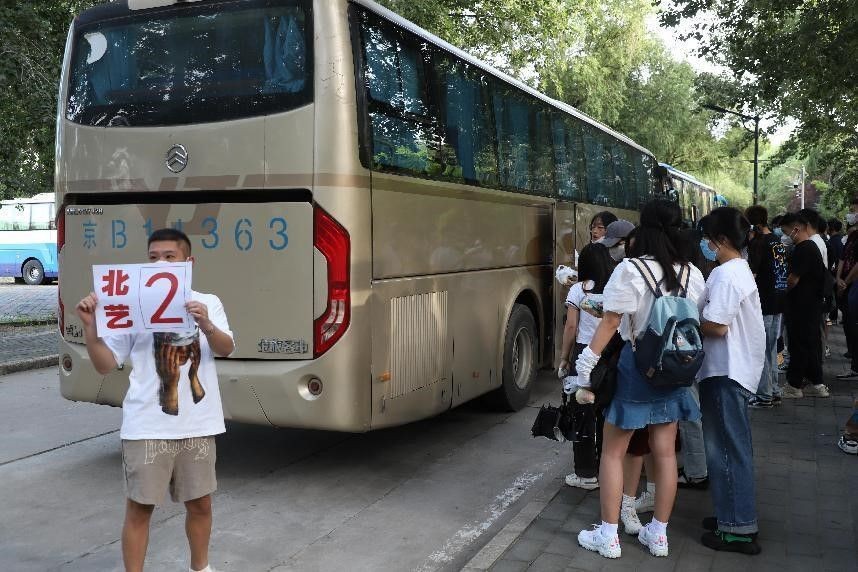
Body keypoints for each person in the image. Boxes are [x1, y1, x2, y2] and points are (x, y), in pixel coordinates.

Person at [75, 228, 234, 572]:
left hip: (198, 425)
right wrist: (90, 328)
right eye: (153, 257)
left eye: (169, 257)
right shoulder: (129, 305)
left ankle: (201, 568)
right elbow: (105, 364)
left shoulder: (208, 302)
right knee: (139, 508)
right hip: (146, 425)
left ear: (188, 262)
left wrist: (205, 323)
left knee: (201, 505)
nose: (160, 263)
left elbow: (226, 348)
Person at [575, 199, 704, 559]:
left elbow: (611, 321)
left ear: (642, 230)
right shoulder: (692, 272)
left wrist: (586, 365)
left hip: (637, 369)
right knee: (665, 453)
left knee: (613, 452)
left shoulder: (631, 269)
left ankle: (608, 535)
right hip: (675, 369)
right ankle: (658, 534)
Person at [697, 208, 765, 555]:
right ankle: (732, 514)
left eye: (708, 238)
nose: (705, 244)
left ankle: (738, 527)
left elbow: (717, 325)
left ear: (721, 240)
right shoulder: (738, 269)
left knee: (725, 448)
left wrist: (688, 320)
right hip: (733, 369)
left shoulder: (726, 274)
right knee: (732, 445)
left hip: (726, 371)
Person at [558, 243, 615, 490]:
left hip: (584, 354)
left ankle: (585, 473)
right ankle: (607, 470)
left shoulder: (578, 290)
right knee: (606, 413)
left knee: (582, 413)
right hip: (609, 354)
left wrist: (564, 357)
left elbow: (571, 327)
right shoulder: (614, 289)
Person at [779, 213, 830, 398]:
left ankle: (794, 385)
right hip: (811, 304)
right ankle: (817, 383)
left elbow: (793, 279)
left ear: (796, 228)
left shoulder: (804, 248)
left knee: (798, 345)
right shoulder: (810, 247)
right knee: (810, 343)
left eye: (786, 231)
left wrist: (781, 291)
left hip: (801, 306)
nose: (785, 236)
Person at [745, 205, 788, 408]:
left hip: (763, 302)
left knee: (761, 349)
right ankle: (774, 390)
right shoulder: (777, 241)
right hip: (778, 300)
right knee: (770, 348)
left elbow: (752, 273)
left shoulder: (759, 243)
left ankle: (764, 395)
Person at [836, 199, 858, 376]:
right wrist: (839, 278)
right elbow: (843, 258)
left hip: (853, 284)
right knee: (850, 323)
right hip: (846, 284)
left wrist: (846, 281)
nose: (851, 214)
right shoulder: (852, 235)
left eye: (854, 210)